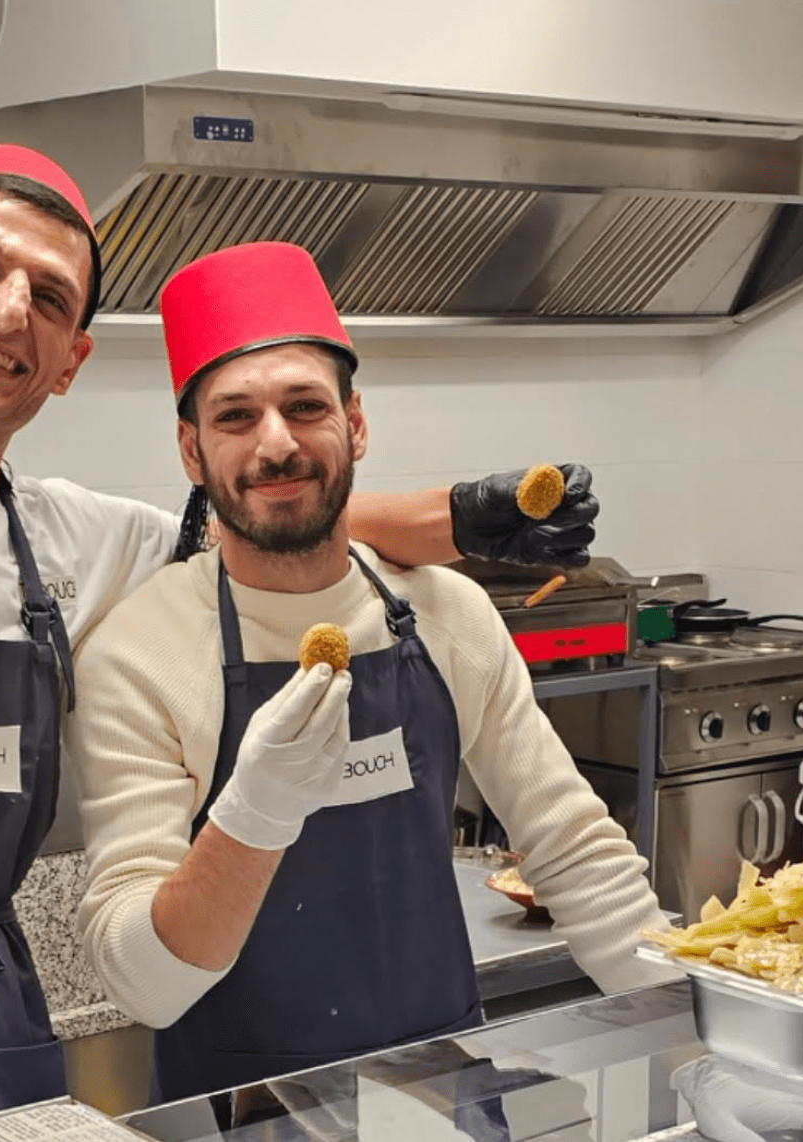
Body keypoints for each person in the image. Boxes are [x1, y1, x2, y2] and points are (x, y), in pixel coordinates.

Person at [0, 148, 604, 1142]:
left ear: (71, 360)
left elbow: (272, 518)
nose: (8, 310)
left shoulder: (76, 537)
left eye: (49, 295)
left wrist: (467, 518)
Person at [64, 239, 672, 1105]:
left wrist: (701, 1038)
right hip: (246, 1116)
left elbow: (574, 853)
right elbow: (143, 981)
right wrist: (254, 814)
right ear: (192, 453)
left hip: (444, 1100)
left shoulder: (449, 615)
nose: (276, 443)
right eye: (235, 417)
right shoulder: (141, 654)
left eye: (304, 406)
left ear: (354, 424)